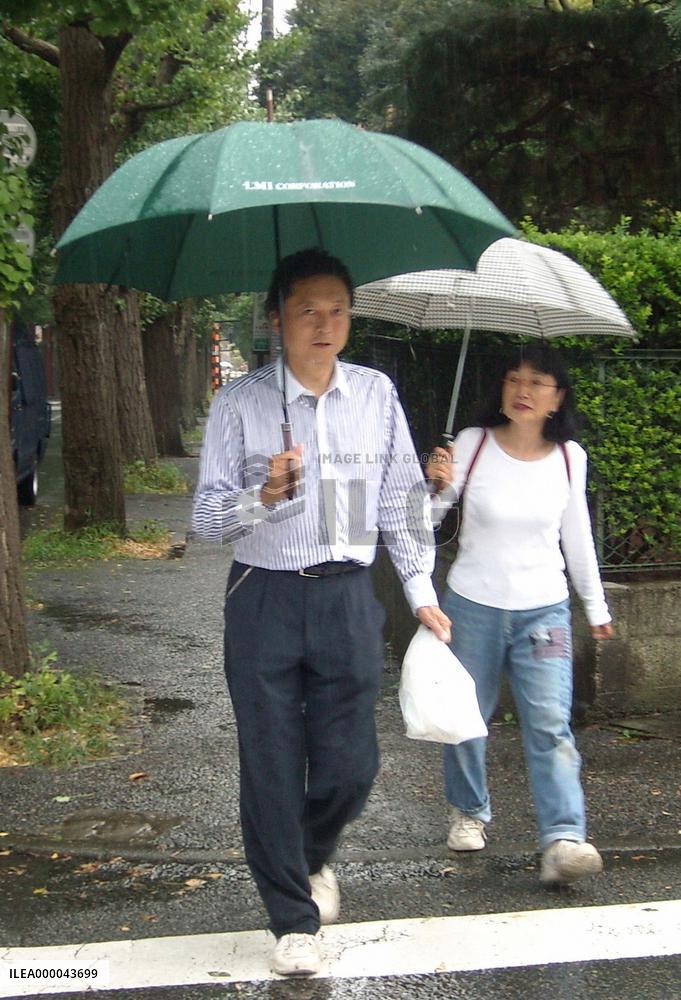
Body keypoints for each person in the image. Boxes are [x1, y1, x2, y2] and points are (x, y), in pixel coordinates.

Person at [192, 248, 450, 977]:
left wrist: (422, 591)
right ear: (277, 319)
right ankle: (291, 918)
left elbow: (400, 502)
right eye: (307, 309)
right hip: (264, 598)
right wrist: (264, 495)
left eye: (337, 308)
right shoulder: (240, 402)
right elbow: (208, 520)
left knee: (350, 764)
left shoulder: (373, 394)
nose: (324, 323)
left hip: (345, 597)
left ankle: (307, 855)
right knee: (271, 761)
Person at [426, 342, 612, 886]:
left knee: (551, 724)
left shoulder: (570, 457)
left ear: (557, 398)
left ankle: (563, 837)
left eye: (537, 382)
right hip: (471, 604)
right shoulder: (473, 443)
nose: (523, 391)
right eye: (513, 379)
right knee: (466, 717)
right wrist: (434, 484)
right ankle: (468, 810)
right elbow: (429, 519)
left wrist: (594, 604)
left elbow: (576, 536)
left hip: (544, 613)